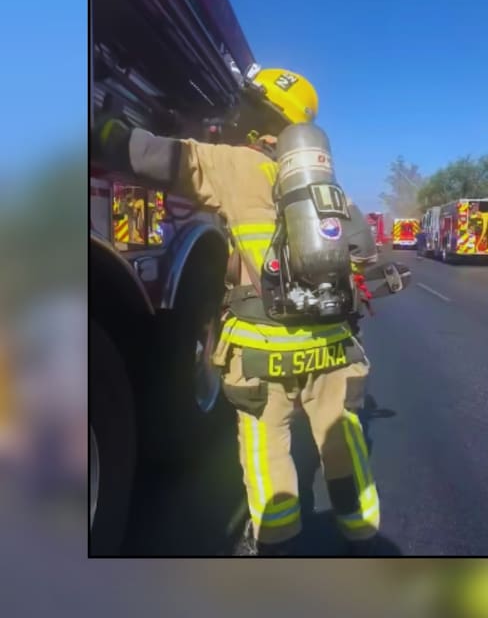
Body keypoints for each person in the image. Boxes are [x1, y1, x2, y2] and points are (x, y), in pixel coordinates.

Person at [92, 66, 381, 556]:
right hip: (331, 349)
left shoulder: (233, 164)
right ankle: (362, 532)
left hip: (263, 352)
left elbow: (151, 156)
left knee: (266, 447)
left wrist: (99, 128)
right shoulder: (331, 190)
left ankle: (275, 542)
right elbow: (364, 254)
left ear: (260, 117)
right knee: (342, 439)